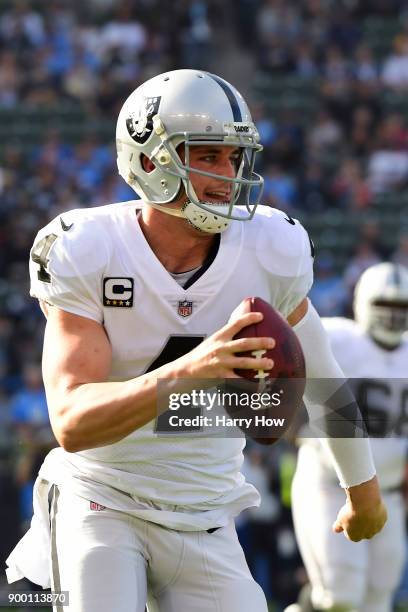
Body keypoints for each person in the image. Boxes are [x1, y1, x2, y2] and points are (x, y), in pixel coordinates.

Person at [6, 69, 386, 612]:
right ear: (149, 159)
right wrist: (192, 368)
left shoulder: (270, 247)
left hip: (207, 513)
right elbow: (71, 420)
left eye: (234, 157)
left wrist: (363, 489)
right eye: (207, 155)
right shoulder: (88, 248)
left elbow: (323, 381)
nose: (228, 174)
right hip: (102, 500)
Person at [286, 262, 408, 612]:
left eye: (401, 308)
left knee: (379, 598)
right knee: (340, 595)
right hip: (329, 482)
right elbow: (291, 371)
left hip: (388, 494)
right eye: (385, 305)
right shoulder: (339, 338)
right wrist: (293, 426)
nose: (393, 317)